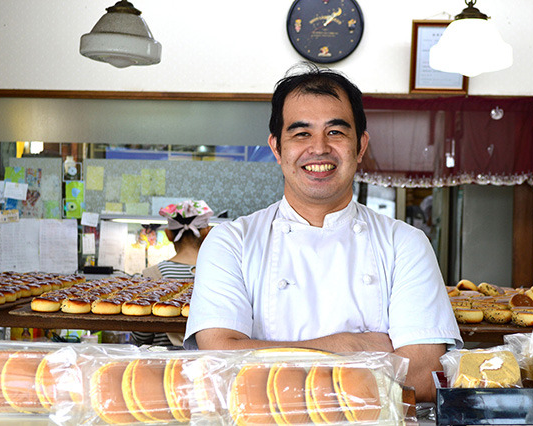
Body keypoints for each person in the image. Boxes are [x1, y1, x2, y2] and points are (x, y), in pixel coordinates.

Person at [184, 63, 462, 402]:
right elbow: (219, 365)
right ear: (277, 148)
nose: (318, 148)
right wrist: (350, 346)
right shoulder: (231, 243)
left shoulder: (405, 243)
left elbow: (423, 376)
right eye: (301, 133)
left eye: (336, 132)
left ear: (360, 146)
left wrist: (264, 357)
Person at [132, 199, 213, 347]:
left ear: (168, 234)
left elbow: (141, 336)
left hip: (162, 365)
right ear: (207, 233)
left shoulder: (150, 276)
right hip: (207, 363)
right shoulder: (220, 275)